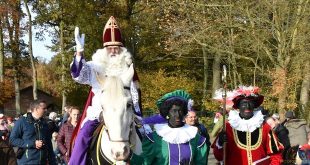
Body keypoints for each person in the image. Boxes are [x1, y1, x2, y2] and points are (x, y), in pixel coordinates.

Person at [69, 16, 142, 165]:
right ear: (105, 48)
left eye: (117, 47)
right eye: (110, 47)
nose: (113, 51)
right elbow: (78, 75)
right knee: (82, 137)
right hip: (99, 110)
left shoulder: (127, 68)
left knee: (145, 136)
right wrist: (79, 53)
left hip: (124, 110)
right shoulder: (96, 66)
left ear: (121, 48)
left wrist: (137, 112)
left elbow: (134, 93)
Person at [212, 86, 283, 165]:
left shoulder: (264, 127)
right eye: (244, 103)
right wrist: (220, 143)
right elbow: (219, 157)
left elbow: (276, 154)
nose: (247, 106)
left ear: (254, 106)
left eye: (250, 103)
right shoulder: (228, 127)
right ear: (238, 106)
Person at [140, 90, 209, 164]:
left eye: (181, 111)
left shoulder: (195, 138)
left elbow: (201, 162)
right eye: (174, 111)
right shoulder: (154, 138)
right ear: (167, 113)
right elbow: (144, 162)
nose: (178, 115)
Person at [9, 99, 56, 165]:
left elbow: (49, 144)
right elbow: (12, 140)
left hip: (42, 162)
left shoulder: (45, 123)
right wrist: (33, 143)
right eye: (44, 108)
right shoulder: (22, 122)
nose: (46, 110)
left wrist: (53, 162)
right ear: (36, 109)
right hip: (26, 162)